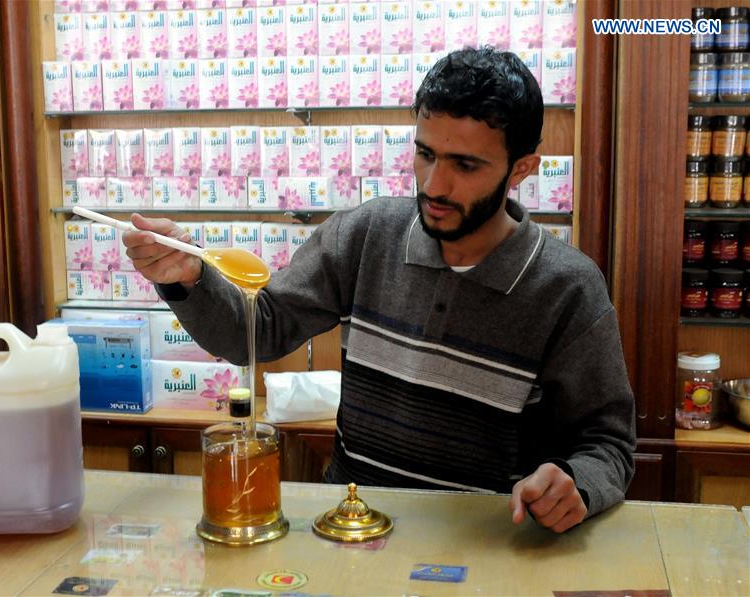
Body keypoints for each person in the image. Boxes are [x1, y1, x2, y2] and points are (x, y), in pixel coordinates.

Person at [123, 47, 636, 534]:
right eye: (425, 154)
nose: (434, 185)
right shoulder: (366, 236)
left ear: (521, 168)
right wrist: (189, 277)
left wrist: (576, 485)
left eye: (465, 165)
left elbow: (608, 442)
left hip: (488, 543)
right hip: (352, 525)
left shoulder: (566, 287)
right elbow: (253, 332)